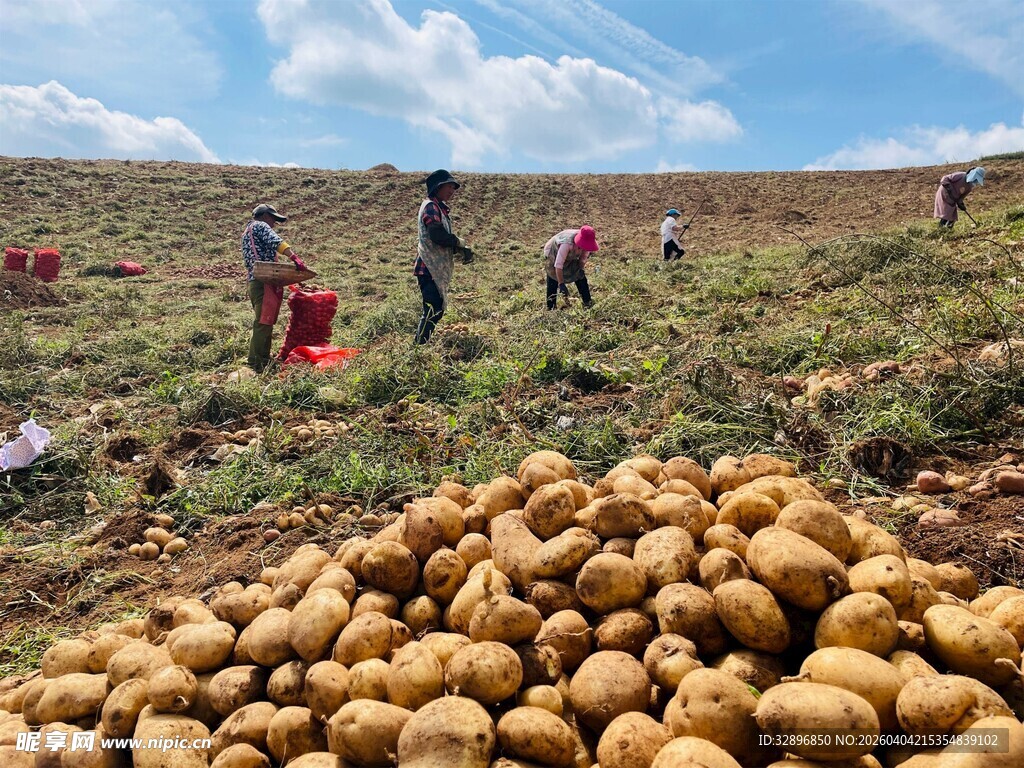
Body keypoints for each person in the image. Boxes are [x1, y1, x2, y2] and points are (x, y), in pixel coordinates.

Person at [241, 203, 305, 371]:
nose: (274, 223)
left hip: (254, 282)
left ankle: (263, 358)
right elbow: (276, 241)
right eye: (272, 219)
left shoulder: (247, 231)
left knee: (265, 321)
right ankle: (256, 362)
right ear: (264, 216)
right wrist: (294, 257)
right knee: (263, 322)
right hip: (263, 282)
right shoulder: (260, 226)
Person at [414, 169, 474, 344]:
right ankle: (418, 346)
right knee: (433, 309)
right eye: (449, 186)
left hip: (434, 267)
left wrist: (458, 248)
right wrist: (457, 242)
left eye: (454, 188)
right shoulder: (431, 207)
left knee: (436, 309)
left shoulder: (439, 208)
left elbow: (440, 238)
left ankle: (422, 344)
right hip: (429, 267)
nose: (452, 191)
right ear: (438, 187)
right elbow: (437, 235)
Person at [543, 225, 599, 310]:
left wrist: (579, 271)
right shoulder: (566, 244)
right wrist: (561, 284)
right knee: (553, 277)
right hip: (553, 250)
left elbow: (582, 260)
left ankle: (587, 303)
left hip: (571, 253)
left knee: (580, 276)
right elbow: (558, 265)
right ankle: (551, 307)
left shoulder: (587, 245)